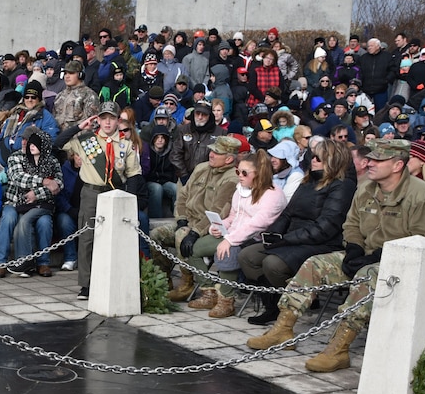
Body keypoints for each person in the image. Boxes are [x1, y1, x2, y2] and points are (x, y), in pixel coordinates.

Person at [248, 139, 425, 372]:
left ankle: (339, 348)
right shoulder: (366, 189)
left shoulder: (423, 196)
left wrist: (378, 257)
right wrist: (353, 247)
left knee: (366, 274)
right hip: (365, 253)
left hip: (404, 264)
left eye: (377, 160)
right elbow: (352, 224)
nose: (369, 163)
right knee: (315, 264)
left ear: (397, 165)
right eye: (370, 158)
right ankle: (283, 328)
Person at [239, 139, 356, 325]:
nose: (313, 160)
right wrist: (273, 235)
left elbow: (326, 226)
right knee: (247, 256)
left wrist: (286, 239)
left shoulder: (342, 185)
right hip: (292, 237)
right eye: (313, 156)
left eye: (319, 157)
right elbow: (288, 212)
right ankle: (274, 302)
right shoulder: (309, 179)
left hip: (320, 243)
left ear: (333, 160)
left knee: (272, 264)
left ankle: (297, 299)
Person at [62, 102, 149, 300]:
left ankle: (114, 279)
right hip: (91, 193)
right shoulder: (86, 140)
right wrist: (78, 127)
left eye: (112, 118)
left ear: (118, 121)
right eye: (104, 118)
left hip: (116, 193)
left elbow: (133, 175)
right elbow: (57, 143)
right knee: (87, 238)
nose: (108, 122)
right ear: (98, 120)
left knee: (115, 238)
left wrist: (130, 201)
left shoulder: (125, 145)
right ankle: (86, 284)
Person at [190, 149, 286, 318]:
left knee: (227, 251)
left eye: (244, 172)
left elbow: (257, 224)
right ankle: (209, 290)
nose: (239, 175)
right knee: (195, 247)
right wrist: (220, 226)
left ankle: (227, 300)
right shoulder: (241, 190)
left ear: (258, 174)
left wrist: (229, 239)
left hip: (257, 240)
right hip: (233, 233)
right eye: (237, 171)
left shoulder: (273, 195)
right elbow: (234, 216)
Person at [150, 136, 241, 301]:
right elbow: (183, 196)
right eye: (212, 150)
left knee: (182, 236)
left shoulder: (231, 179)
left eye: (217, 152)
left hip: (208, 228)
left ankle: (187, 283)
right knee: (157, 234)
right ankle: (164, 280)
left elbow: (218, 212)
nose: (211, 154)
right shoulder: (201, 167)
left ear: (228, 159)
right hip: (188, 220)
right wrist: (182, 218)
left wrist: (196, 232)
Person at [0, 126, 63, 278]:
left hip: (39, 204)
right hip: (14, 202)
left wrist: (37, 194)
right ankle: (1, 263)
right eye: (23, 139)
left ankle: (43, 263)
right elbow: (19, 179)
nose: (25, 142)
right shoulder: (15, 157)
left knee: (44, 222)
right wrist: (44, 181)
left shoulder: (51, 160)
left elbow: (58, 185)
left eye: (29, 140)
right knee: (9, 218)